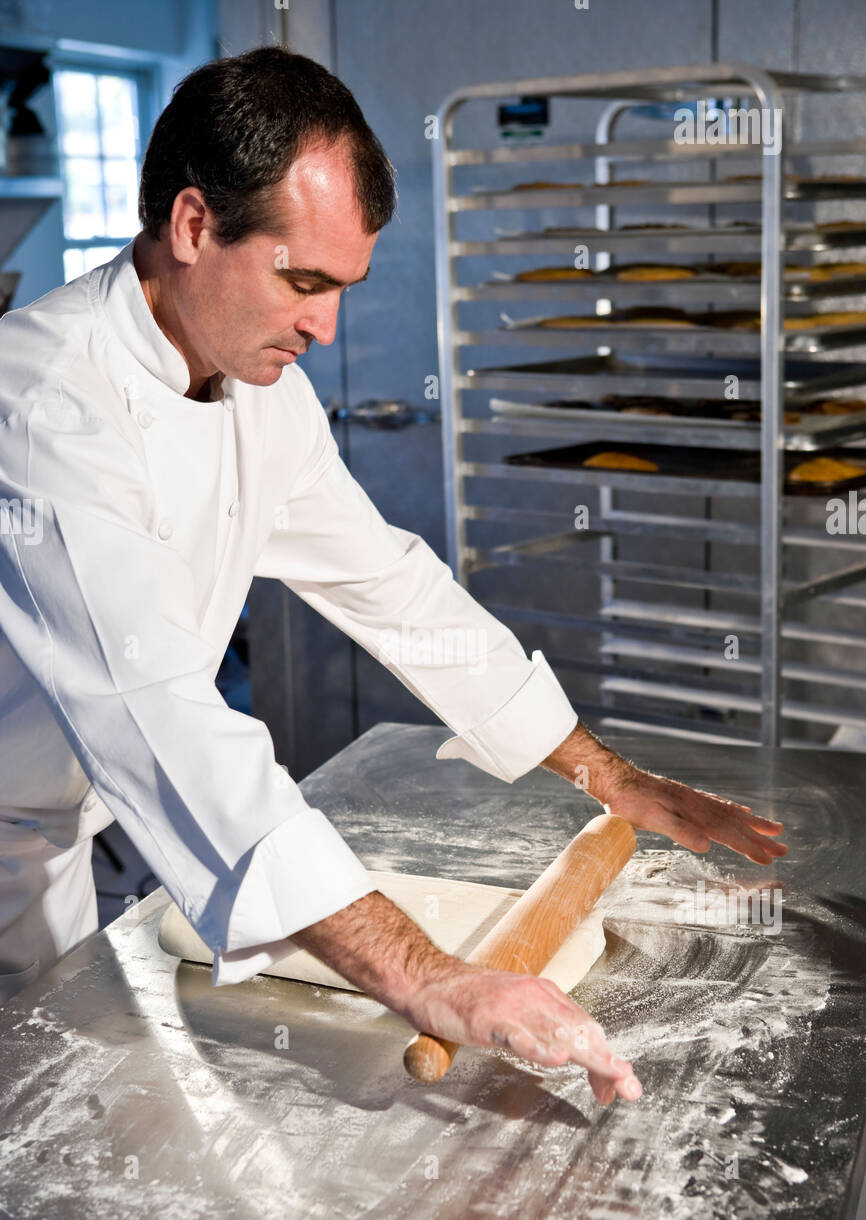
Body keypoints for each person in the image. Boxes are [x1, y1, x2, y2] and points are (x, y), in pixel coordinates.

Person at [0, 47, 786, 1105]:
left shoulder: (250, 381)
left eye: (340, 287)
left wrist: (608, 777)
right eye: (302, 280)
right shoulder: (43, 405)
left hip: (49, 842)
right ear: (193, 226)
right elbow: (164, 721)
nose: (325, 327)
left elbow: (389, 585)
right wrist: (429, 978)